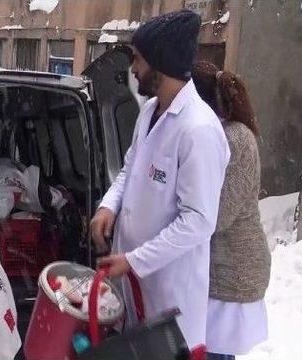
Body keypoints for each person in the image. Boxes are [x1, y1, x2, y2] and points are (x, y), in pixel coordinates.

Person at [89, 10, 230, 351]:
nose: (133, 68)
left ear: (161, 62)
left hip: (171, 303)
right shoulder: (150, 112)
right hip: (137, 294)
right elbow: (129, 169)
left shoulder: (199, 130)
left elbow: (198, 221)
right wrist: (109, 205)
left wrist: (135, 260)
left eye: (138, 59)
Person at [192, 61, 270, 360]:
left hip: (233, 270)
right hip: (221, 268)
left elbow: (218, 213)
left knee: (215, 352)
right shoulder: (223, 133)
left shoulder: (235, 139)